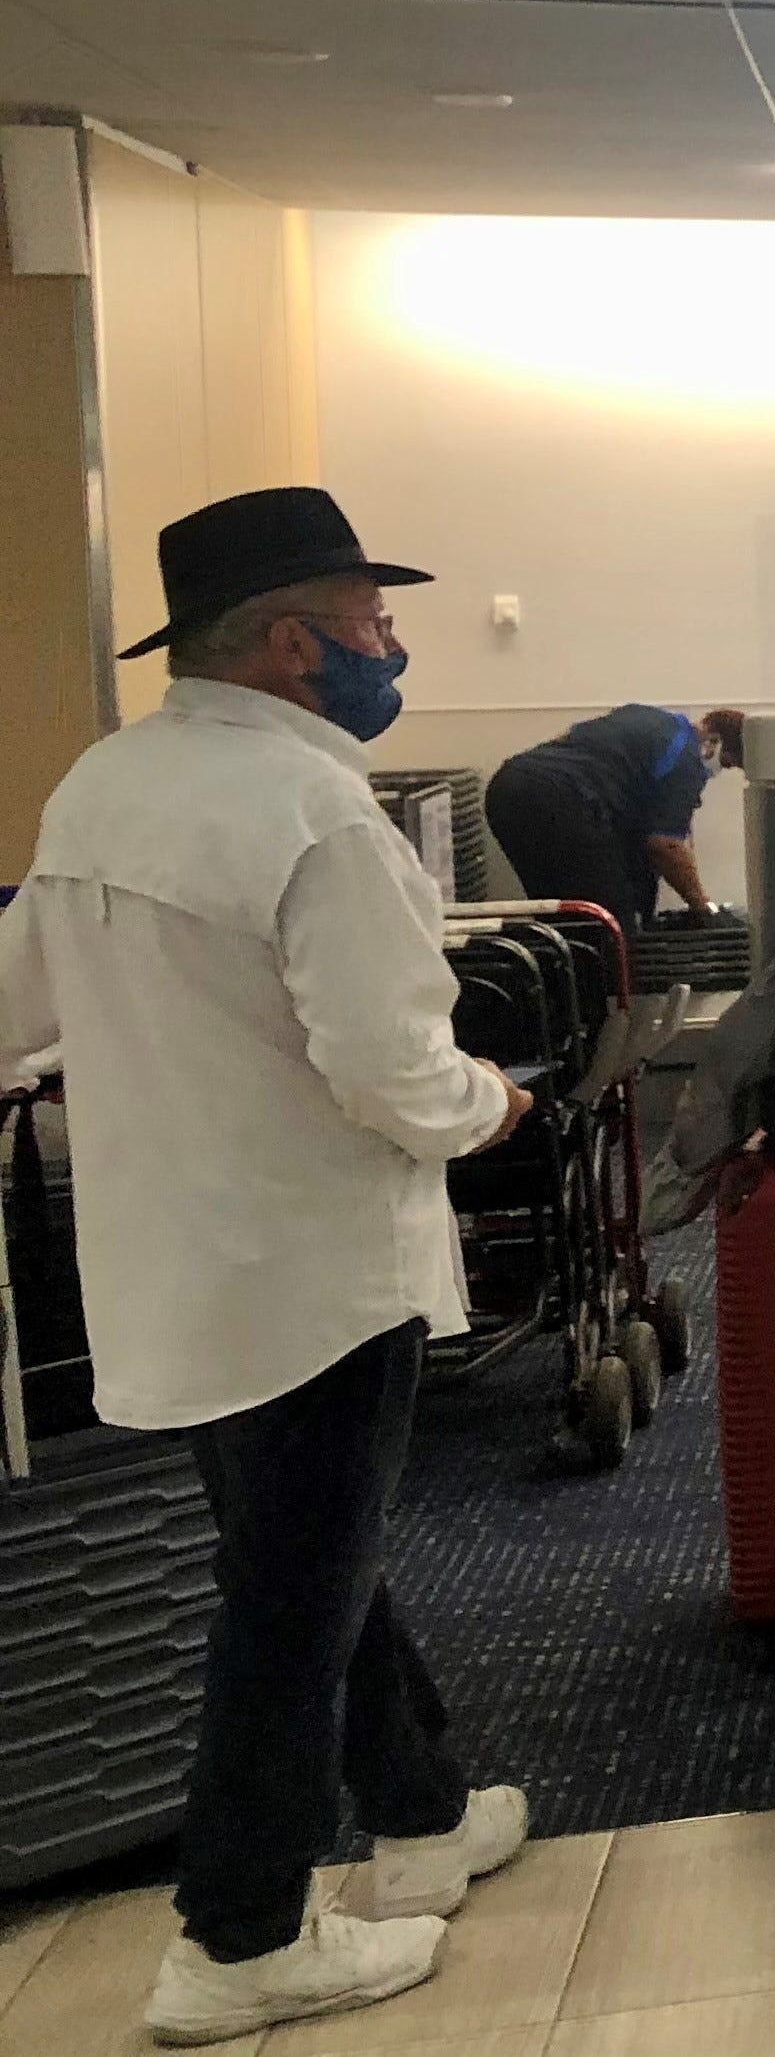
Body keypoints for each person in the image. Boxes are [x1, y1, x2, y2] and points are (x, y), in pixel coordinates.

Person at [0, 489, 535, 2044]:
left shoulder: (105, 782)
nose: (390, 649)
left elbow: (19, 993)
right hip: (314, 1272)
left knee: (313, 1560)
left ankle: (424, 1817)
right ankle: (232, 1939)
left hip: (171, 1266)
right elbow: (391, 1069)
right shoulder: (315, 818)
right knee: (288, 1604)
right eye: (372, 624)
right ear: (295, 644)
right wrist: (490, 1103)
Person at [481, 703, 746, 940]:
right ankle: (600, 992)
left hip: (508, 787)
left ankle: (565, 989)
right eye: (726, 762)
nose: (720, 770)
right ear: (714, 740)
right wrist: (704, 908)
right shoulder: (687, 759)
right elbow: (666, 846)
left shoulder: (647, 716)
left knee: (564, 919)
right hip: (561, 800)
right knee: (607, 928)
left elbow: (569, 737)